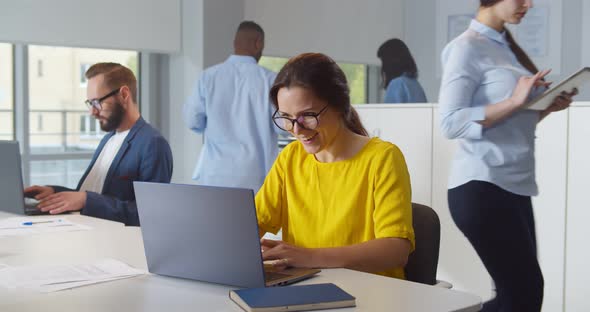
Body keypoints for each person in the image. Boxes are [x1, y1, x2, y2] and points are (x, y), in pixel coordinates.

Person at [438, 1, 577, 310]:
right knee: (523, 292)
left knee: (519, 294)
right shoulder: (465, 47)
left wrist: (545, 109)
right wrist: (516, 100)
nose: (528, 4)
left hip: (515, 187)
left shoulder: (506, 47)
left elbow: (506, 123)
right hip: (481, 184)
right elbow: (450, 123)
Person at [256, 53, 415, 279]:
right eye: (286, 117)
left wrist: (307, 257)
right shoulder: (290, 158)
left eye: (307, 116)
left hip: (374, 294)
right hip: (307, 291)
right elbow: (253, 224)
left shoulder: (382, 158)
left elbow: (395, 250)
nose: (297, 129)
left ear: (339, 106)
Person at [24, 62, 173, 226]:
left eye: (97, 102)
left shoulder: (152, 144)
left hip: (114, 242)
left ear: (124, 94)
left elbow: (151, 214)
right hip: (84, 229)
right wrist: (54, 192)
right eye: (90, 103)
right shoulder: (109, 138)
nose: (92, 112)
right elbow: (96, 194)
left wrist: (86, 200)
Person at [183, 21, 279, 193]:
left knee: (212, 220)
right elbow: (283, 125)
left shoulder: (208, 77)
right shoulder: (271, 80)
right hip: (255, 176)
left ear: (235, 43)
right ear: (259, 43)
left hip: (214, 175)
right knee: (251, 220)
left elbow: (192, 121)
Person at [377, 38, 427, 103]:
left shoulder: (397, 83)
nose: (383, 67)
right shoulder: (416, 84)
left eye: (383, 61)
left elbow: (389, 112)